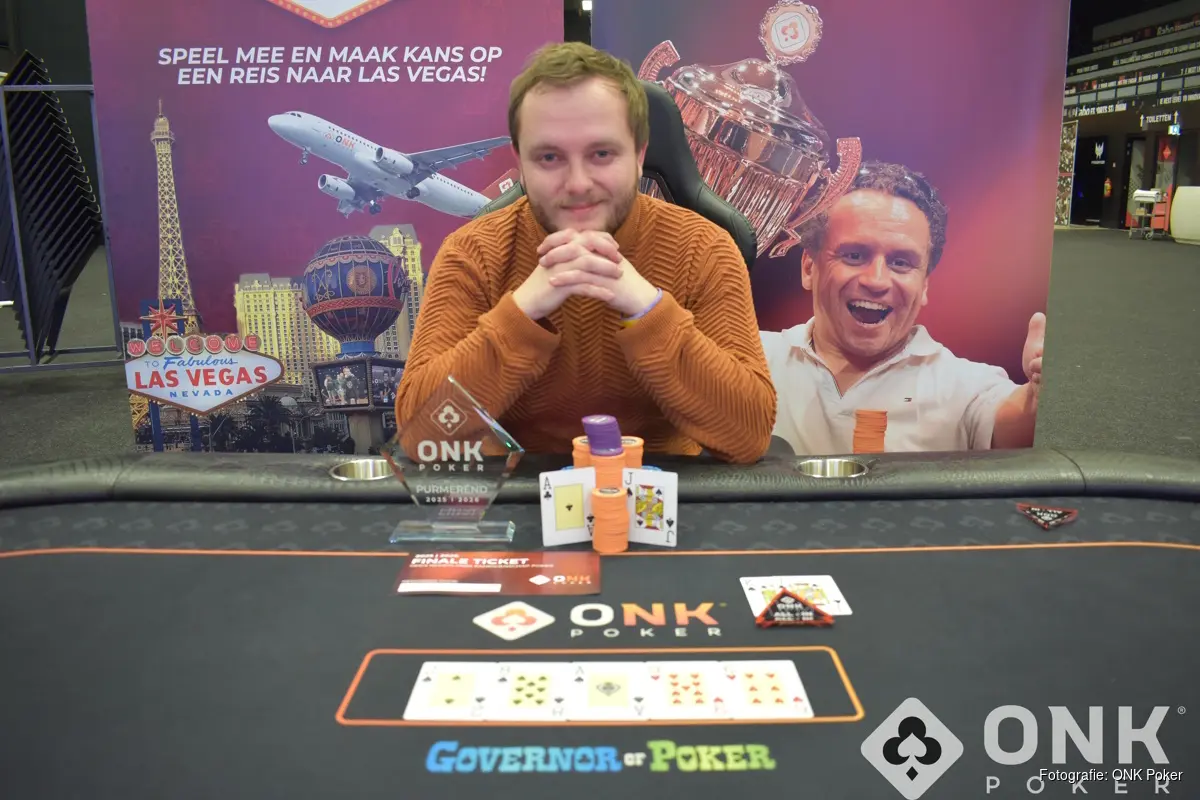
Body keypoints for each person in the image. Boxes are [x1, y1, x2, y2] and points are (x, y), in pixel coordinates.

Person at [394, 42, 775, 463]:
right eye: (549, 157)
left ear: (639, 155)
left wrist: (646, 308)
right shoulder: (472, 253)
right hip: (518, 486)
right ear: (521, 163)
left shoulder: (703, 248)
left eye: (601, 154)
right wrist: (522, 313)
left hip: (660, 485)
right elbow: (420, 437)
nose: (577, 184)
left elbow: (748, 437)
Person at [760, 161, 1044, 454]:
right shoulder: (749, 358)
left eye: (900, 263)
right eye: (855, 255)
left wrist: (1043, 393)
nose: (877, 281)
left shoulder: (962, 387)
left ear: (924, 286)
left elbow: (1017, 421)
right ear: (809, 267)